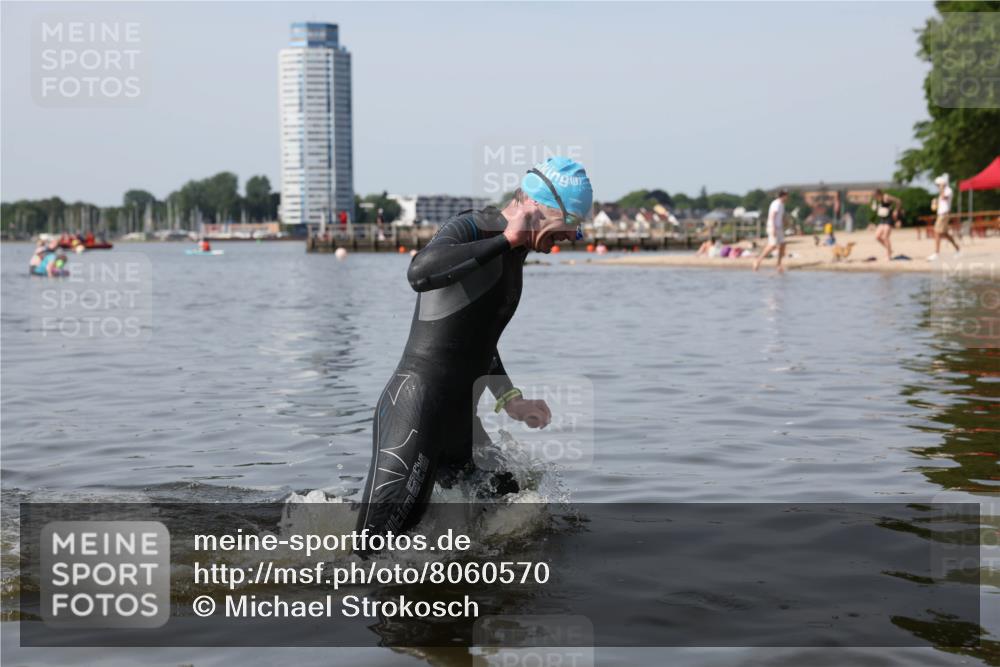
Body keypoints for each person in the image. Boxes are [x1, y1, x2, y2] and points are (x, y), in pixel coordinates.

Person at [356, 156, 592, 549]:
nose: (565, 242)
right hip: (418, 409)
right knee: (370, 556)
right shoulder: (475, 227)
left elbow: (479, 339)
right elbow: (419, 272)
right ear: (536, 208)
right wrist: (506, 239)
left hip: (461, 421)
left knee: (515, 510)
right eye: (565, 229)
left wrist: (511, 400)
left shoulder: (515, 254)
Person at [753, 189, 789, 273]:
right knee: (772, 245)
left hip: (779, 227)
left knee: (782, 244)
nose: (788, 197)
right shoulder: (776, 204)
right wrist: (773, 228)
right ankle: (757, 261)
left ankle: (778, 264)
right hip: (773, 227)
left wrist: (785, 222)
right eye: (787, 195)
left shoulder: (782, 204)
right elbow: (772, 216)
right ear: (783, 195)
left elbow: (781, 216)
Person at [928, 174, 959, 261]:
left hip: (944, 215)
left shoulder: (948, 190)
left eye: (938, 185)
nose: (937, 186)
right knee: (945, 234)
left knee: (937, 232)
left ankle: (937, 253)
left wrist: (941, 189)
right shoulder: (944, 190)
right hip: (941, 214)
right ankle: (957, 249)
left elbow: (944, 197)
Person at [870, 189, 900, 261]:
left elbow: (898, 201)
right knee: (877, 236)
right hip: (882, 219)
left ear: (878, 194)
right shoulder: (877, 200)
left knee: (885, 237)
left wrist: (896, 210)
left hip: (889, 219)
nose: (874, 198)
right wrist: (875, 209)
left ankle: (888, 255)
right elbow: (881, 209)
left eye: (875, 196)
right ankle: (889, 250)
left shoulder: (886, 196)